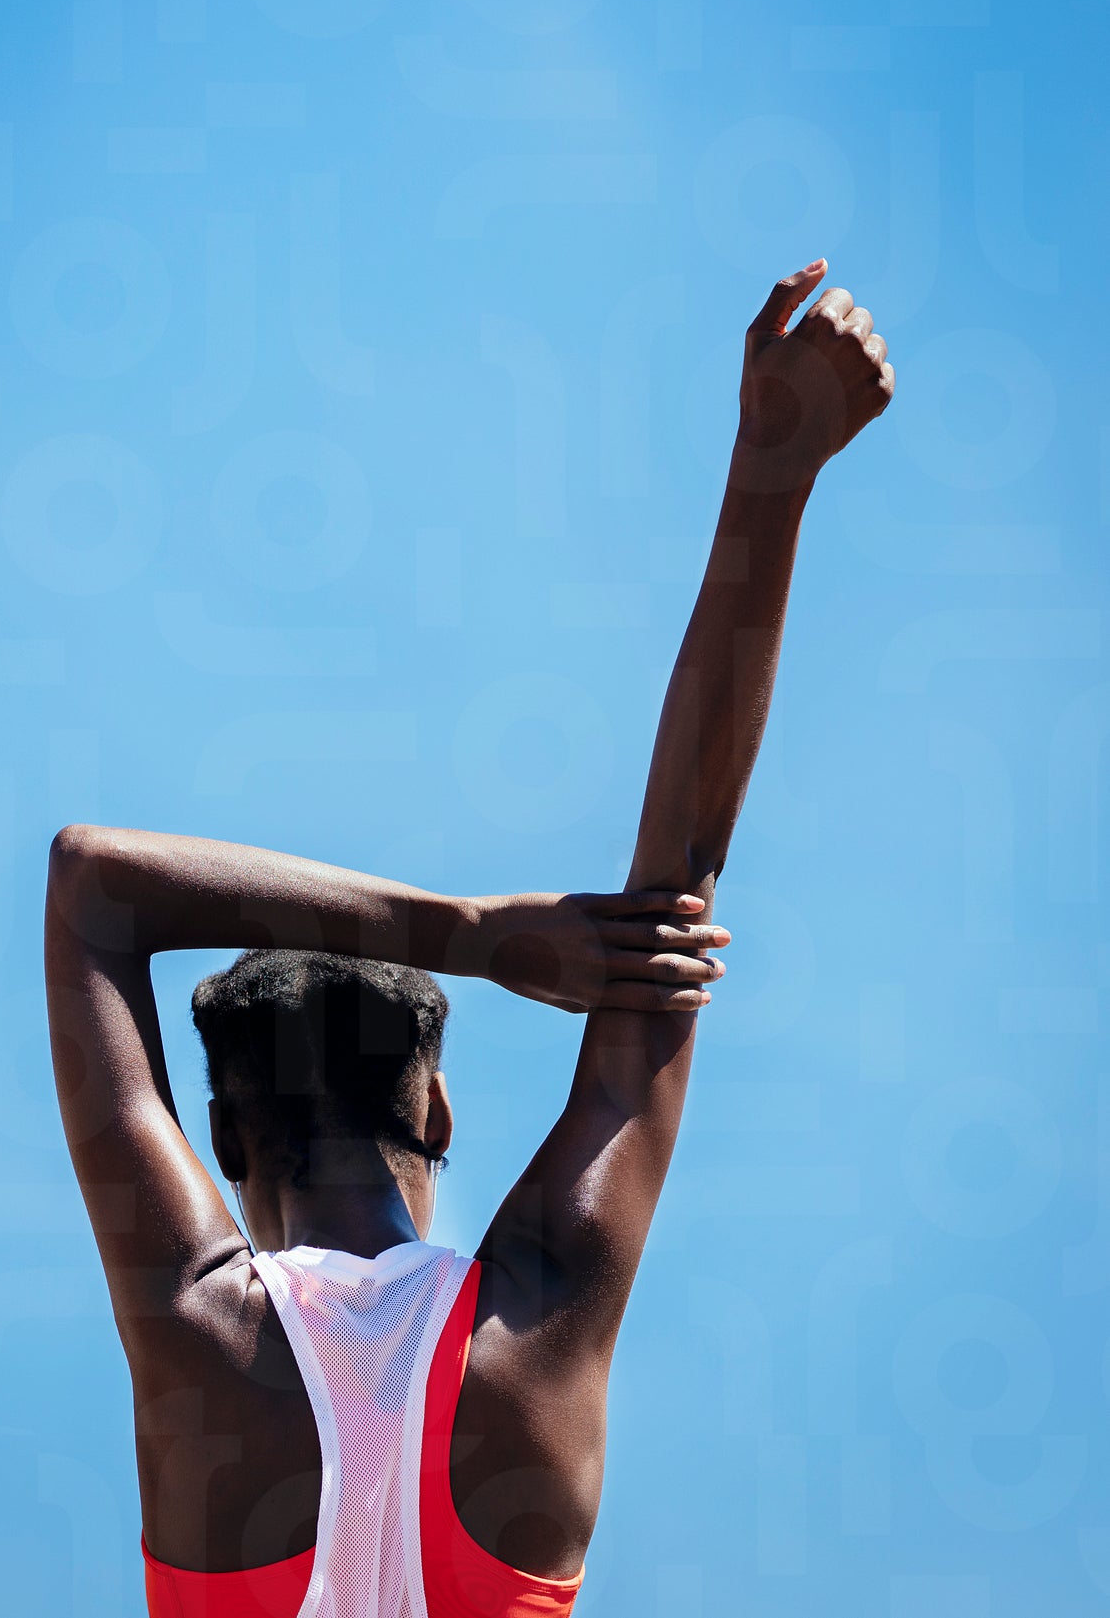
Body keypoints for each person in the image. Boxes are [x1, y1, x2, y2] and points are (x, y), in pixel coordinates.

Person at [45, 261, 893, 1617]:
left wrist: (478, 936)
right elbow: (675, 889)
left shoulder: (202, 1336)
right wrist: (773, 471)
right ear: (434, 1106)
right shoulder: (539, 1323)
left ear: (229, 1143)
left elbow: (91, 882)